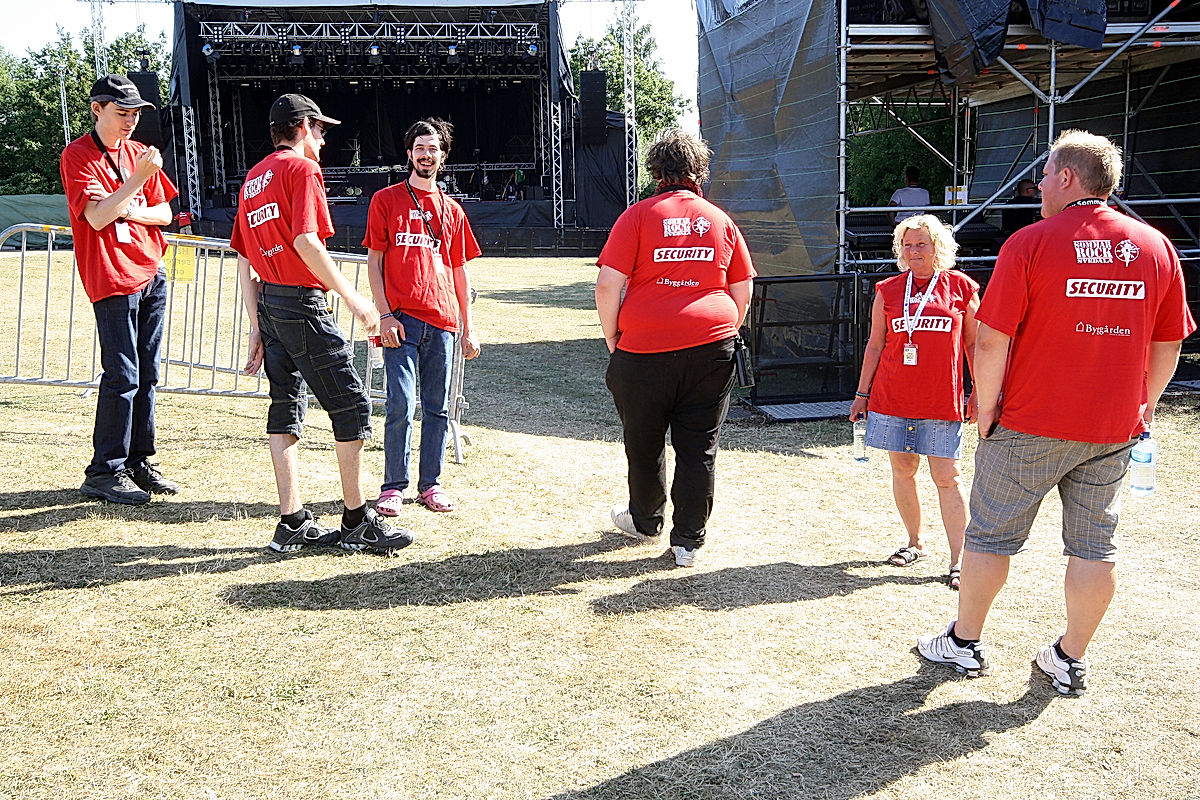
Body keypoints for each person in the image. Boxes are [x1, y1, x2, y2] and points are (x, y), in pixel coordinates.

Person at [917, 130, 1196, 694]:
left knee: (991, 536)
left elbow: (991, 340)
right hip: (1113, 429)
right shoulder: (1157, 246)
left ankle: (965, 642)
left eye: (1045, 175)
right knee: (1096, 546)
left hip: (1028, 421)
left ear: (1067, 178)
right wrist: (1142, 406)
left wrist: (987, 409)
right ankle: (1070, 657)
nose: (1039, 185)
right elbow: (1168, 346)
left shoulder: (1032, 242)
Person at [231, 93, 415, 555]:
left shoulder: (253, 178)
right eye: (321, 131)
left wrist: (257, 322)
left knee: (285, 407)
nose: (324, 141)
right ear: (304, 126)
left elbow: (242, 258)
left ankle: (291, 521)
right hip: (300, 302)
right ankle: (356, 522)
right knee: (351, 406)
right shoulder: (302, 170)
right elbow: (307, 241)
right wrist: (355, 300)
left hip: (272, 301)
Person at [596, 128, 756, 568]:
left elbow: (609, 284)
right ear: (699, 171)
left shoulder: (638, 216)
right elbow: (743, 287)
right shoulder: (720, 220)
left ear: (656, 171)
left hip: (643, 349)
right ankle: (687, 540)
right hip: (712, 347)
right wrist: (723, 329)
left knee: (643, 443)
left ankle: (645, 520)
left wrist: (613, 337)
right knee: (699, 445)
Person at [60, 74, 179, 505]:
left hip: (150, 270)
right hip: (111, 276)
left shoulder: (136, 153)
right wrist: (134, 186)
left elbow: (165, 212)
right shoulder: (79, 156)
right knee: (123, 375)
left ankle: (137, 461)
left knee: (147, 374)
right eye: (122, 112)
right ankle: (104, 470)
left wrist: (128, 208)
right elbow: (95, 217)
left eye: (135, 114)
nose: (130, 121)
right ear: (97, 110)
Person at [849, 215, 979, 589]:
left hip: (942, 402)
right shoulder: (888, 289)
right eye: (907, 245)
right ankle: (915, 543)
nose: (913, 251)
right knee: (903, 472)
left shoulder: (961, 287)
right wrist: (862, 394)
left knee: (947, 478)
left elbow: (974, 344)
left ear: (938, 246)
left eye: (921, 244)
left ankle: (960, 562)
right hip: (892, 399)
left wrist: (979, 392)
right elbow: (875, 344)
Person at [364, 118, 481, 516]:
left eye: (433, 149)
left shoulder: (453, 210)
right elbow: (375, 261)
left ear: (443, 157)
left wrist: (467, 327)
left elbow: (459, 270)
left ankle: (430, 484)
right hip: (401, 321)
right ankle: (392, 487)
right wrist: (383, 315)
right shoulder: (386, 200)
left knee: (437, 408)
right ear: (409, 153)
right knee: (399, 403)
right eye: (419, 148)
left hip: (444, 323)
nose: (426, 155)